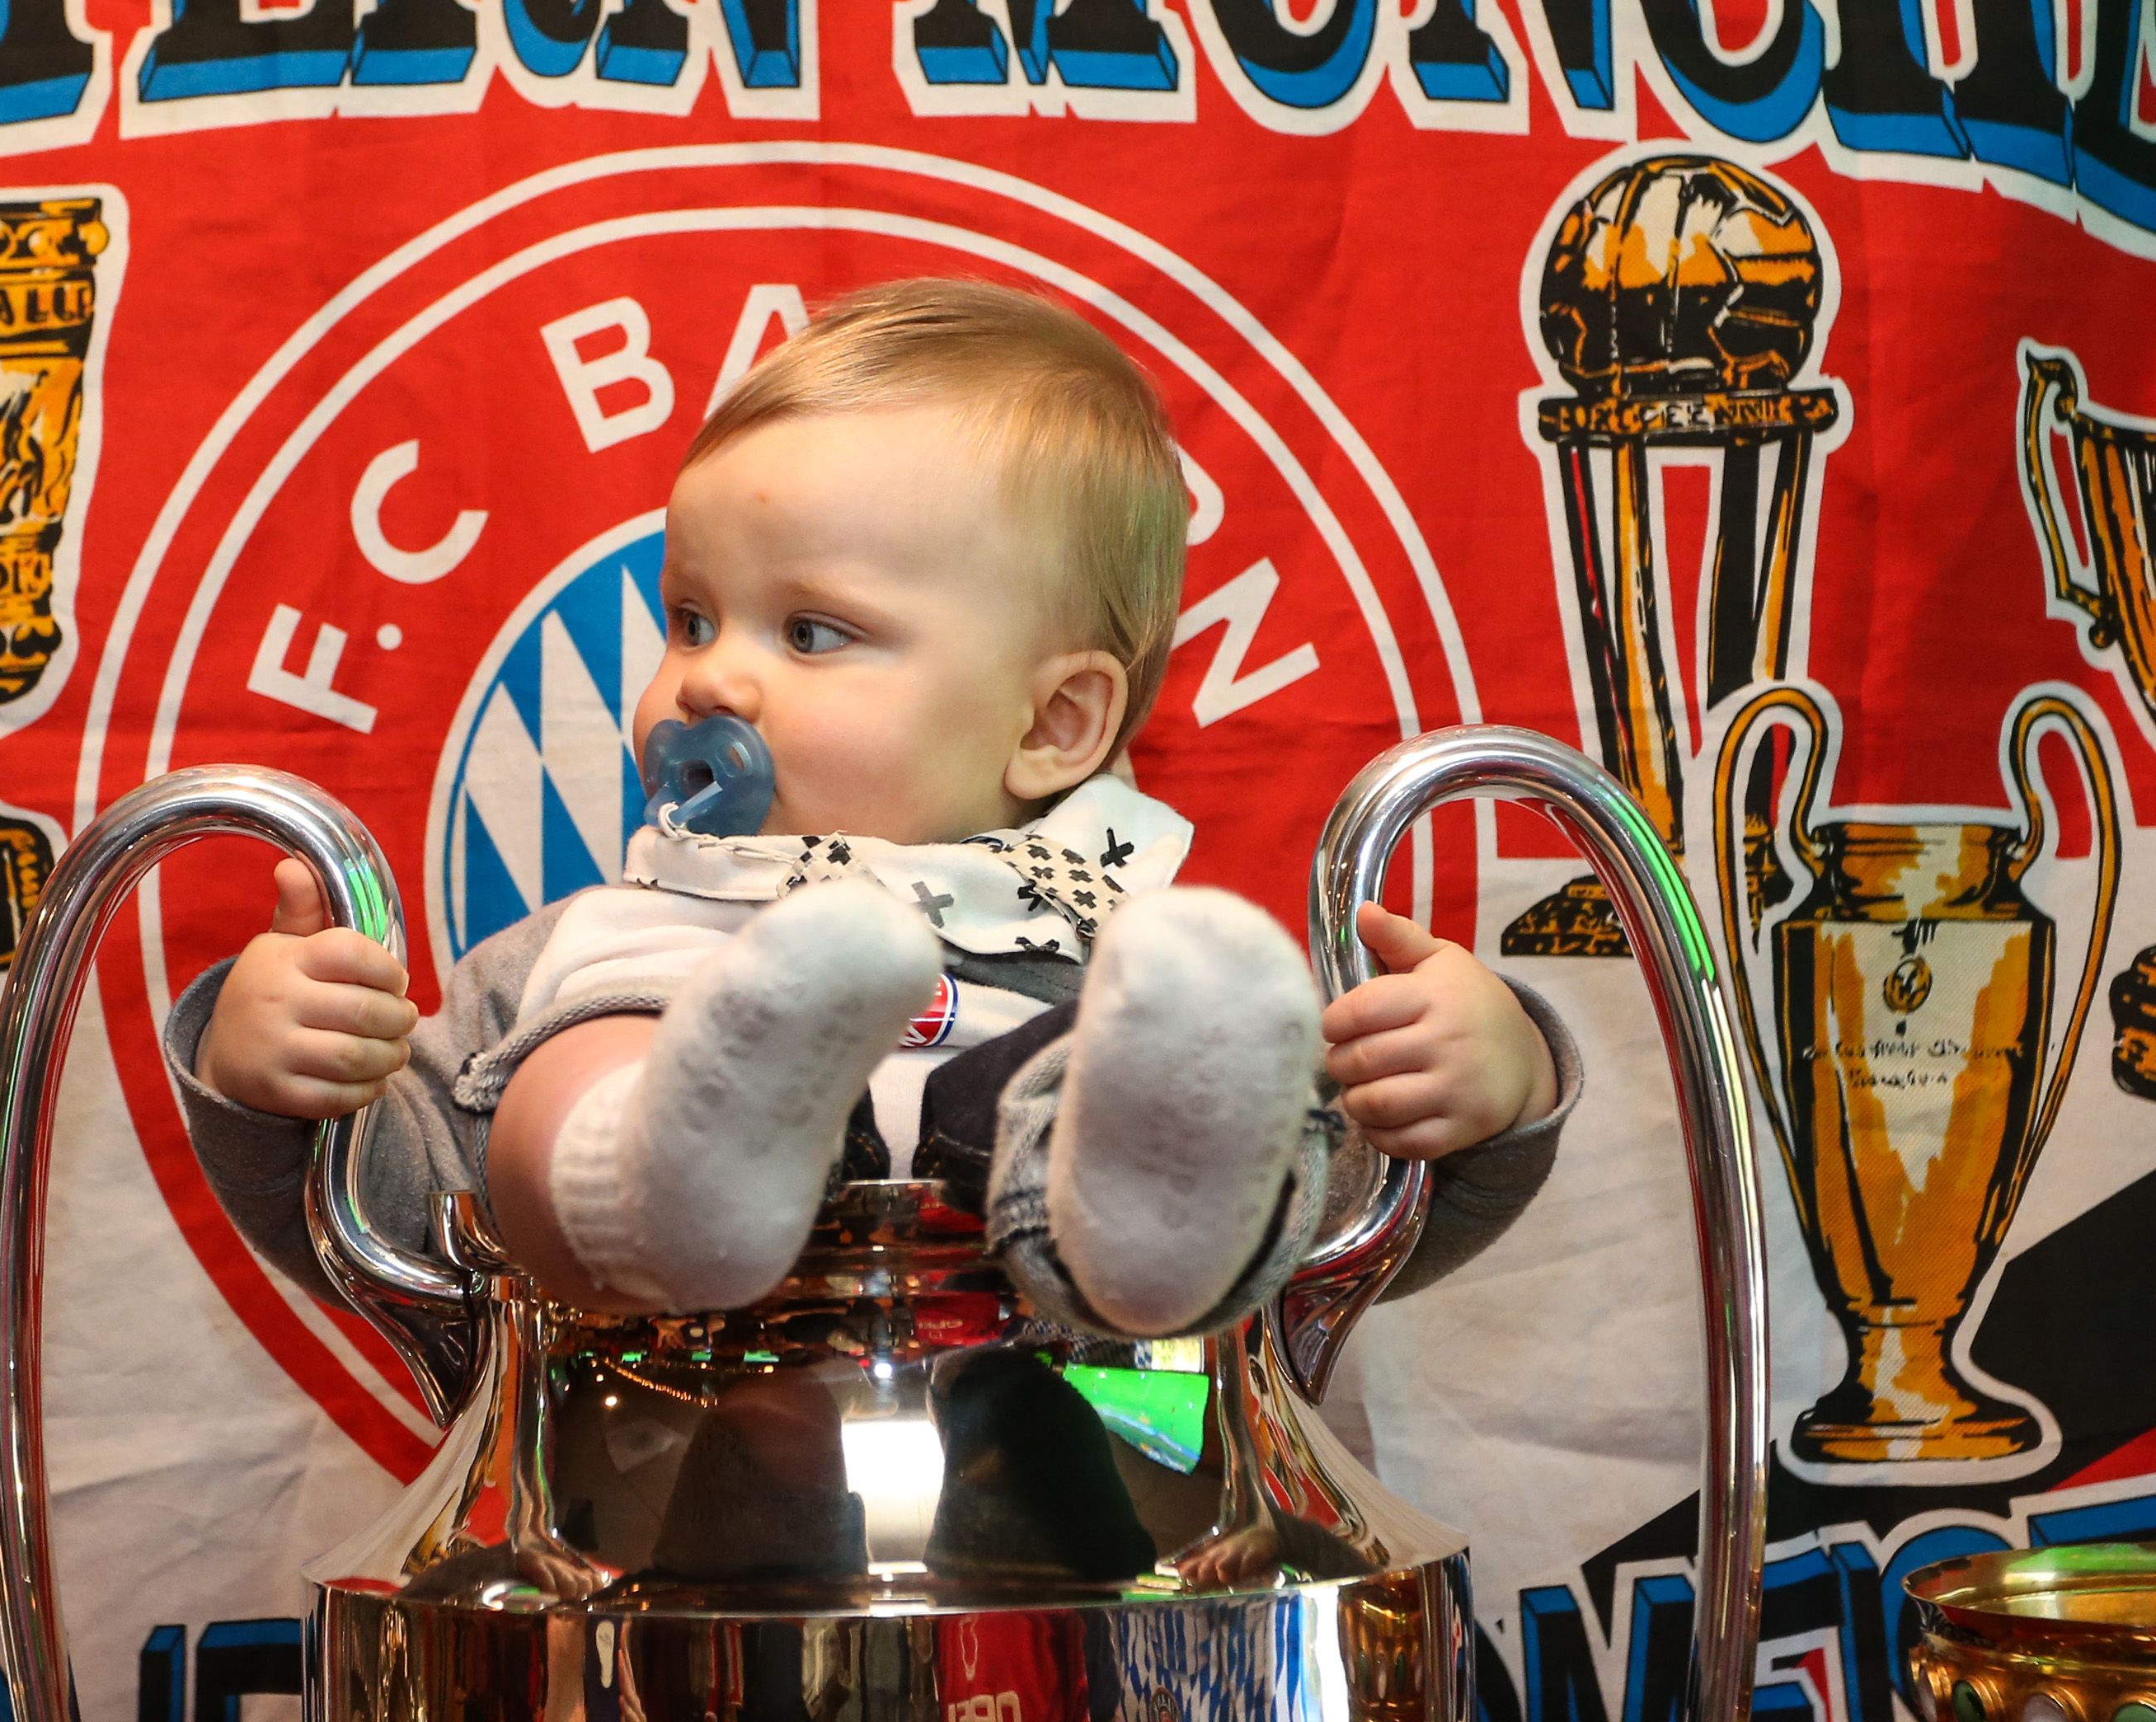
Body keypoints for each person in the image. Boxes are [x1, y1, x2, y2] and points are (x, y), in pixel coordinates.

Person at [169, 279, 1577, 1339]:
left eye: (812, 634)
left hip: (1108, 1536)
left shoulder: (1144, 976)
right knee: (583, 1041)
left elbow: (1346, 1232)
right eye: (691, 615)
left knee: (1205, 1093)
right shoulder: (588, 941)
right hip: (665, 1538)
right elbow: (393, 1222)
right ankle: (654, 1166)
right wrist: (278, 1078)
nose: (707, 675)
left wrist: (1475, 1102)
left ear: (1053, 725)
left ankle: (1140, 1236)